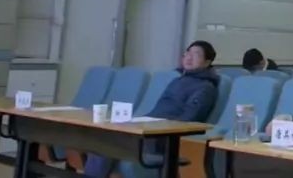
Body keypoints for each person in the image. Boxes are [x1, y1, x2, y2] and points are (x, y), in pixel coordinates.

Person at [83, 41, 220, 177]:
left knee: (107, 144)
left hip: (160, 136)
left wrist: (159, 127)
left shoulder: (205, 87)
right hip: (149, 128)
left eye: (196, 54)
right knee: (103, 141)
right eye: (187, 53)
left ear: (207, 62)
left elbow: (189, 119)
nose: (189, 57)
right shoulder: (178, 80)